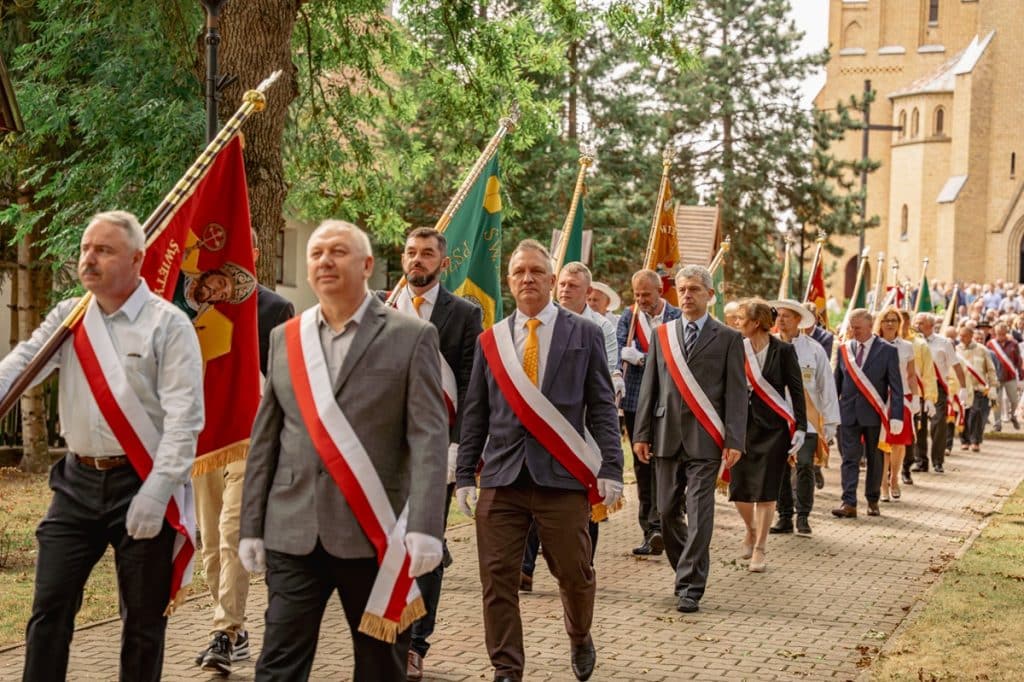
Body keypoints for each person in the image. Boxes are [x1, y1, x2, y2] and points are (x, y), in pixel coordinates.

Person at [239, 220, 449, 681]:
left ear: (367, 265)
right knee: (277, 666)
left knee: (379, 668)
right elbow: (266, 439)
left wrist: (426, 526)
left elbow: (428, 439)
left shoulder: (411, 336)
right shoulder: (285, 337)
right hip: (293, 530)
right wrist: (250, 525)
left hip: (374, 535)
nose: (325, 261)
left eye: (338, 252)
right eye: (316, 253)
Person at [0, 211, 204, 681]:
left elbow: (185, 420)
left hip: (141, 482)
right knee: (49, 610)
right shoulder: (70, 317)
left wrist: (158, 492)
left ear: (137, 260)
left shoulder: (168, 325)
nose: (88, 259)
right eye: (86, 248)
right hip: (76, 483)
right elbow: (21, 364)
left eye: (104, 250)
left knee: (143, 623)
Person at [456, 239, 623, 682]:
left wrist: (611, 467)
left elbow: (602, 406)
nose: (527, 278)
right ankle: (506, 669)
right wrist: (465, 474)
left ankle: (580, 634)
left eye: (535, 271)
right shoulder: (491, 340)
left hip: (562, 476)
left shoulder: (584, 333)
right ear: (509, 282)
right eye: (519, 272)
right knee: (497, 579)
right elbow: (476, 412)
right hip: (502, 475)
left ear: (551, 280)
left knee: (574, 572)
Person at [193, 230, 295, 674]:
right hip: (203, 440)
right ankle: (234, 628)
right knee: (210, 542)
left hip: (250, 440)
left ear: (253, 252)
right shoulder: (194, 304)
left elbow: (283, 383)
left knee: (233, 531)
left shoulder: (274, 308)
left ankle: (224, 630)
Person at [390, 227, 482, 681]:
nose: (417, 260)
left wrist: (458, 447)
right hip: (385, 451)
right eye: (411, 252)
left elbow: (469, 385)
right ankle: (387, 630)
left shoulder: (464, 314)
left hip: (436, 449)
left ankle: (415, 643)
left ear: (443, 263)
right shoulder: (383, 307)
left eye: (427, 254)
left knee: (426, 544)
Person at [632, 265, 747, 613]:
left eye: (694, 289)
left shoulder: (727, 338)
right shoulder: (662, 335)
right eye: (682, 289)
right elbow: (650, 387)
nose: (686, 295)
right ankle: (686, 565)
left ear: (709, 295)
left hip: (706, 438)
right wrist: (641, 433)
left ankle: (690, 586)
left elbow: (736, 393)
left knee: (699, 514)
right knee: (666, 512)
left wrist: (735, 439)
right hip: (666, 435)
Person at [521, 261, 623, 591]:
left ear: (588, 292)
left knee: (583, 500)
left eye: (573, 286)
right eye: (562, 284)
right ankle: (525, 567)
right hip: (541, 420)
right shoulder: (540, 319)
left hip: (583, 426)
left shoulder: (600, 328)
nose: (565, 290)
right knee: (532, 492)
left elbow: (604, 376)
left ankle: (583, 565)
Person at [731, 299, 806, 572]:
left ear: (756, 323)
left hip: (774, 429)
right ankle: (751, 529)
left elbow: (796, 389)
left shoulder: (783, 351)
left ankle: (760, 548)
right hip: (742, 427)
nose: (736, 323)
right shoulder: (735, 348)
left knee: (766, 491)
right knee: (739, 489)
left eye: (741, 319)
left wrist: (801, 427)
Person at [617, 269, 681, 556]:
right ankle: (650, 530)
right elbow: (618, 348)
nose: (641, 299)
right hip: (635, 401)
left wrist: (642, 358)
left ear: (660, 291)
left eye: (646, 294)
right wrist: (620, 361)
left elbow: (678, 356)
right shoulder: (628, 317)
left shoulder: (676, 317)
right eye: (637, 294)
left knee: (667, 462)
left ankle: (670, 523)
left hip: (668, 401)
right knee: (642, 465)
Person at [769, 299, 839, 537]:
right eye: (778, 316)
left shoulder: (814, 349)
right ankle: (784, 516)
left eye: (786, 316)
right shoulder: (768, 345)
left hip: (807, 420)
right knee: (779, 468)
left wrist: (830, 421)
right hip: (777, 418)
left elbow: (826, 386)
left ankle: (803, 516)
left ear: (798, 320)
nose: (781, 320)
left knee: (805, 465)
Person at [832, 309, 904, 518]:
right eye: (852, 327)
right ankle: (848, 502)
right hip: (848, 413)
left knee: (875, 459)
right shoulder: (845, 349)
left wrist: (896, 415)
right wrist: (831, 413)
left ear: (870, 326)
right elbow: (837, 383)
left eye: (858, 328)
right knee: (849, 459)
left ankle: (872, 500)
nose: (854, 332)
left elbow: (896, 387)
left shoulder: (887, 350)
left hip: (874, 414)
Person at [873, 307, 919, 496]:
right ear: (880, 323)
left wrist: (916, 397)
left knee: (899, 442)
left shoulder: (907, 346)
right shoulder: (873, 344)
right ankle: (883, 483)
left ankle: (894, 479)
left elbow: (911, 375)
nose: (890, 323)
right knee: (882, 443)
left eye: (894, 320)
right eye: (886, 320)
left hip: (902, 398)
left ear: (900, 324)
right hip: (879, 398)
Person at [957, 326, 998, 452]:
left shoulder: (982, 350)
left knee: (976, 414)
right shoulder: (956, 350)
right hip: (962, 388)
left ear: (971, 336)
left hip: (978, 388)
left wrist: (993, 386)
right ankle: (964, 441)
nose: (961, 338)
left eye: (964, 336)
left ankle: (975, 441)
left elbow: (990, 369)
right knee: (964, 414)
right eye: (960, 335)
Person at [987, 322, 1022, 432]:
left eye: (1003, 333)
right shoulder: (990, 344)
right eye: (999, 334)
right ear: (995, 333)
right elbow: (987, 361)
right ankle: (997, 423)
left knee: (1014, 400)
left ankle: (1013, 416)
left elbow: (1018, 360)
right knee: (995, 401)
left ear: (1006, 332)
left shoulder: (1014, 343)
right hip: (995, 378)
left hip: (1010, 377)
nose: (1001, 336)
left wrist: (1020, 373)